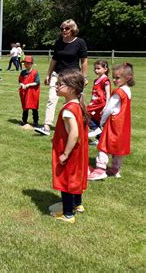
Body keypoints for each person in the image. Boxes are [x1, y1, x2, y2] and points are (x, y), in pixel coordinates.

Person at [35, 19, 88, 136]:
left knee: (77, 101)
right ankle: (47, 126)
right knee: (51, 98)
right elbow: (54, 59)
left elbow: (84, 60)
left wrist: (84, 77)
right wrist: (48, 74)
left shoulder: (80, 42)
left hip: (73, 76)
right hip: (57, 74)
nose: (64, 30)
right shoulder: (59, 42)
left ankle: (84, 126)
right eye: (62, 28)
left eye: (67, 28)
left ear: (73, 29)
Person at [50, 70, 89, 223]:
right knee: (75, 178)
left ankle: (68, 214)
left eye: (60, 84)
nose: (56, 87)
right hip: (78, 152)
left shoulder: (68, 110)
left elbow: (74, 133)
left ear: (72, 88)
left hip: (70, 153)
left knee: (65, 181)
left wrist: (65, 154)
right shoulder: (77, 104)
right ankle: (78, 204)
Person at [88, 63, 134, 181]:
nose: (113, 80)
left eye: (117, 78)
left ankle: (100, 169)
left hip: (114, 123)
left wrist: (102, 122)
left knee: (103, 145)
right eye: (113, 77)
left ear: (127, 77)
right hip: (123, 125)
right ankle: (115, 169)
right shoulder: (127, 90)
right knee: (119, 147)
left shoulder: (118, 92)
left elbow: (109, 108)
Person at [86, 60, 111, 140]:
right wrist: (91, 102)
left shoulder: (105, 80)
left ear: (105, 69)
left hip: (100, 103)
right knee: (95, 119)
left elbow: (108, 93)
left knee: (85, 113)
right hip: (94, 103)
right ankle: (100, 140)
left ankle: (96, 129)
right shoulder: (96, 80)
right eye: (95, 69)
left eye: (98, 68)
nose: (96, 70)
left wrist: (106, 105)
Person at [18, 56, 40, 127]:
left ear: (31, 64)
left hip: (33, 92)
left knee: (34, 107)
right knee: (25, 107)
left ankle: (35, 122)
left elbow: (37, 82)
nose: (25, 65)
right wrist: (22, 84)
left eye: (27, 63)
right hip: (24, 92)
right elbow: (20, 81)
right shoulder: (23, 72)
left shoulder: (35, 72)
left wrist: (28, 85)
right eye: (24, 63)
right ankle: (24, 121)